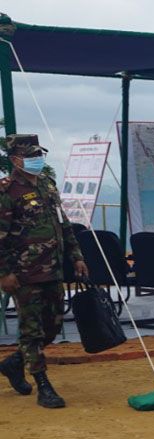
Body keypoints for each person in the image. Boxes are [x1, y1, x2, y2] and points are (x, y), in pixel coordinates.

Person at [0, 134, 87, 408]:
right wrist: (4, 273)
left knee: (54, 324)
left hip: (53, 268)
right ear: (16, 160)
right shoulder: (6, 191)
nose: (37, 160)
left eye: (39, 155)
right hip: (24, 274)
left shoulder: (47, 185)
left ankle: (16, 362)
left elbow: (63, 224)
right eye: (31, 156)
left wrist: (76, 257)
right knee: (32, 330)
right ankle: (43, 385)